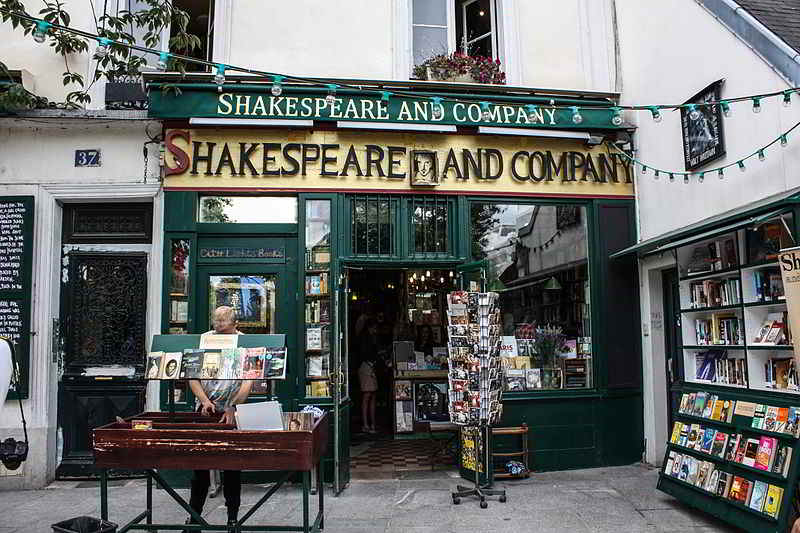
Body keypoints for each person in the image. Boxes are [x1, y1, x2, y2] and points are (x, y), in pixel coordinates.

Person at [186, 306, 251, 529]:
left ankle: (232, 518)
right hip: (205, 409)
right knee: (200, 467)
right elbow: (192, 376)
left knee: (232, 467)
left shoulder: (244, 342)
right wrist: (204, 400)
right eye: (216, 324)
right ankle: (194, 516)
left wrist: (234, 407)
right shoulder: (205, 339)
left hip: (233, 411)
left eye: (223, 326)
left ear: (235, 325)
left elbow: (248, 381)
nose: (218, 329)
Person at [357, 321, 380, 433]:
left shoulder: (370, 339)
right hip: (367, 367)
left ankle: (371, 424)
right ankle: (367, 425)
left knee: (371, 395)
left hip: (369, 367)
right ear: (370, 328)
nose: (376, 331)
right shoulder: (365, 340)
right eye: (374, 328)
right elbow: (365, 354)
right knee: (368, 395)